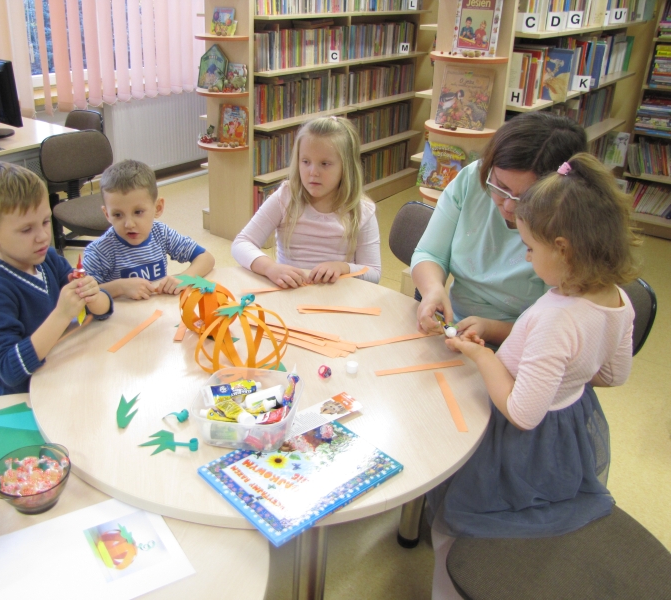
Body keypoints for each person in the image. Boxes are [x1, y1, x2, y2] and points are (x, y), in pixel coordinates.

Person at [427, 153, 639, 599]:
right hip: (567, 431)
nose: (525, 257)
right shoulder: (619, 300)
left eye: (529, 248)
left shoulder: (556, 318)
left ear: (562, 249)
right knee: (523, 520)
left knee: (459, 526)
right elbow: (613, 374)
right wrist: (562, 374)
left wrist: (482, 357)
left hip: (515, 440)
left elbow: (523, 412)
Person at [410, 112, 587, 345]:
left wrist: (488, 329)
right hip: (456, 329)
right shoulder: (472, 179)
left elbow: (553, 327)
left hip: (523, 345)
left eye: (526, 197)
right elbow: (430, 253)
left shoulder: (570, 230)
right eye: (501, 187)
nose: (509, 205)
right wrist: (433, 290)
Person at [0, 162, 113, 396]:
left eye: (45, 221)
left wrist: (94, 297)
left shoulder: (48, 259)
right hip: (22, 397)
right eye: (26, 230)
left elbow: (103, 311)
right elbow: (9, 371)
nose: (43, 236)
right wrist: (62, 315)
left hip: (60, 372)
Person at [232, 116, 381, 287]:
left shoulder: (362, 210)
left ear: (346, 167)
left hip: (338, 295)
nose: (313, 172)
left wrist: (342, 268)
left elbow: (373, 273)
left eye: (325, 163)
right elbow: (241, 243)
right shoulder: (286, 197)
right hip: (290, 292)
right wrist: (270, 268)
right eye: (305, 162)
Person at [83, 160, 215, 300]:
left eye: (138, 212)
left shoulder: (161, 233)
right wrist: (120, 287)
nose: (129, 224)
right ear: (107, 214)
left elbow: (206, 258)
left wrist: (185, 278)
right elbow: (83, 294)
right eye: (117, 215)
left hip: (157, 308)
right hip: (122, 313)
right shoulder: (99, 252)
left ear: (158, 208)